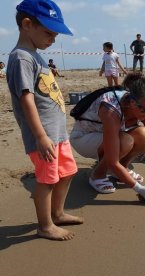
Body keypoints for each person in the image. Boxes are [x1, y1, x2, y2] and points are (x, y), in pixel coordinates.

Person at [6, 0, 83, 241]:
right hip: (44, 136)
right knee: (47, 180)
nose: (53, 39)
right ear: (27, 24)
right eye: (49, 32)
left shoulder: (36, 56)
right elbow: (26, 98)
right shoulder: (21, 58)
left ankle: (57, 213)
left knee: (68, 172)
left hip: (57, 133)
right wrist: (40, 136)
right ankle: (45, 225)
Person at [70, 72, 145, 200]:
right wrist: (140, 189)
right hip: (84, 138)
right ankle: (97, 175)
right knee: (126, 140)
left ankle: (120, 171)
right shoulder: (110, 108)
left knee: (144, 134)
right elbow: (113, 161)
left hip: (107, 136)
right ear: (132, 102)